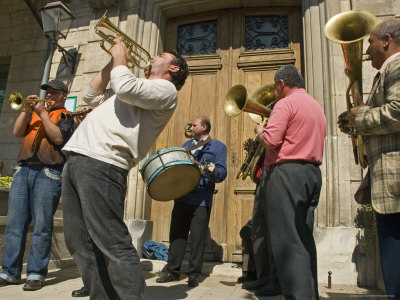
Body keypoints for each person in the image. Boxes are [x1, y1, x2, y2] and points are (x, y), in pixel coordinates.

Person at [61, 37, 189, 300]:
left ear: (173, 68)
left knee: (112, 241)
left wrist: (121, 56)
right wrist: (112, 62)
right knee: (79, 241)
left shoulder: (166, 90)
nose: (152, 57)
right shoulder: (134, 85)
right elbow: (90, 95)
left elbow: (124, 86)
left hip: (104, 163)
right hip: (79, 158)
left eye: (160, 55)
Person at [253, 64, 326, 299]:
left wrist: (259, 131)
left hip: (287, 174)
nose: (274, 93)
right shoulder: (315, 105)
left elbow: (271, 139)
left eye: (275, 88)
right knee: (303, 240)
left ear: (281, 84)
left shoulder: (285, 103)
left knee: (287, 243)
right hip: (312, 173)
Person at [339, 19, 400, 300]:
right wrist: (353, 121)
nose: (367, 48)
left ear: (387, 40)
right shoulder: (387, 71)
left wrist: (360, 117)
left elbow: (397, 112)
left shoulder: (397, 65)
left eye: (371, 41)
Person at [0, 80, 74, 291]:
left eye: (53, 93)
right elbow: (17, 132)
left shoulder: (66, 116)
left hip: (48, 172)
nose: (48, 96)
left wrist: (42, 113)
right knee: (15, 224)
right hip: (23, 170)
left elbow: (58, 138)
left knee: (42, 226)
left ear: (63, 96)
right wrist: (25, 110)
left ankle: (35, 273)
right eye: (47, 93)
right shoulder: (33, 113)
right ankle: (9, 272)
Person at [156, 116, 227, 288]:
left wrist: (213, 170)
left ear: (204, 127)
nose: (191, 127)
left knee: (197, 238)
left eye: (194, 125)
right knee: (177, 236)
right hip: (182, 197)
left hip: (201, 200)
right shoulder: (186, 146)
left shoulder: (218, 146)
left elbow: (222, 173)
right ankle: (172, 271)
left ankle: (194, 274)